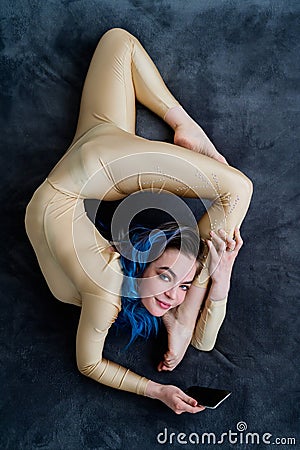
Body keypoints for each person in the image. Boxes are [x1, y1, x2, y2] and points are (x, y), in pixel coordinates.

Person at [24, 28, 253, 415]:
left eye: (175, 282)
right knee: (117, 42)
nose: (171, 294)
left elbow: (89, 363)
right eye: (170, 279)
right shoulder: (119, 287)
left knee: (238, 189)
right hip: (87, 168)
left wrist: (158, 391)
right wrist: (220, 278)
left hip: (87, 170)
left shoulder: (110, 284)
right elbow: (207, 344)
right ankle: (190, 131)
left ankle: (189, 132)